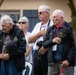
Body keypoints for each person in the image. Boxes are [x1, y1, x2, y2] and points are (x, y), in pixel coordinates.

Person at [39, 9, 75, 75]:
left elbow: (74, 45)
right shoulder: (50, 28)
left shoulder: (70, 28)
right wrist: (52, 41)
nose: (53, 19)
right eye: (52, 17)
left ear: (62, 17)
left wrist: (68, 60)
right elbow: (44, 43)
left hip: (66, 63)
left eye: (55, 17)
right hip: (52, 63)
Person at [28, 5, 53, 75]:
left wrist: (46, 46)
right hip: (36, 52)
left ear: (47, 13)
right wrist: (39, 33)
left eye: (40, 13)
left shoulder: (52, 24)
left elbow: (54, 40)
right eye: (38, 13)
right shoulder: (38, 25)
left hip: (47, 52)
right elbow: (29, 40)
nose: (38, 14)